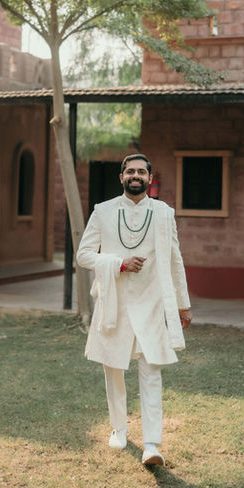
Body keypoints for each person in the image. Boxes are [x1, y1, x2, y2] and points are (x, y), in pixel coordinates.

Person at [77, 153, 192, 467]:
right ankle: (119, 428)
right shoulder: (103, 212)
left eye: (142, 171)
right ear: (121, 177)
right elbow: (84, 255)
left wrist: (183, 304)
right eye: (130, 171)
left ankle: (152, 444)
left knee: (151, 370)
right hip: (115, 300)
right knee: (112, 367)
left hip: (152, 303)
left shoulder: (165, 214)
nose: (136, 175)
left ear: (150, 178)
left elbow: (175, 260)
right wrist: (118, 264)